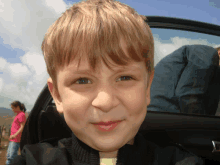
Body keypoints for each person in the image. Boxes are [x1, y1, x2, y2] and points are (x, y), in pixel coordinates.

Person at [11, 0, 204, 164]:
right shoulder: (33, 160)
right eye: (83, 80)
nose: (105, 102)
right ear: (58, 95)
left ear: (147, 88)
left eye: (125, 77)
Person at [148, 45, 219, 115]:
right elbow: (188, 98)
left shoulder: (201, 55)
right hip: (165, 112)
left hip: (156, 111)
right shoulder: (208, 54)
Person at [5, 101, 26, 165]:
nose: (12, 109)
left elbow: (22, 127)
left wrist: (14, 135)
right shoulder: (18, 115)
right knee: (9, 156)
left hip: (16, 139)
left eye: (13, 108)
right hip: (13, 139)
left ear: (17, 107)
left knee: (11, 157)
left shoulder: (21, 115)